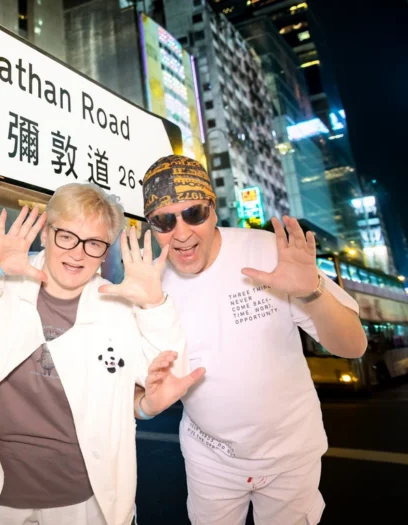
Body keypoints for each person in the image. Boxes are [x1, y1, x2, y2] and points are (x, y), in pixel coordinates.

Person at [0, 183, 204, 525]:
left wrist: (155, 303)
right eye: (66, 236)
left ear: (105, 251)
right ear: (46, 233)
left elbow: (169, 376)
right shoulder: (0, 288)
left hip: (82, 498)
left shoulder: (116, 308)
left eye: (93, 243)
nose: (78, 253)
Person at [139, 154, 366, 525]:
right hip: (209, 458)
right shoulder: (153, 284)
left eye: (194, 214)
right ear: (152, 225)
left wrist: (313, 291)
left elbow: (353, 346)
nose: (181, 233)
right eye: (164, 221)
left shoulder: (268, 252)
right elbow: (135, 383)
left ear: (212, 209)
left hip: (291, 455)